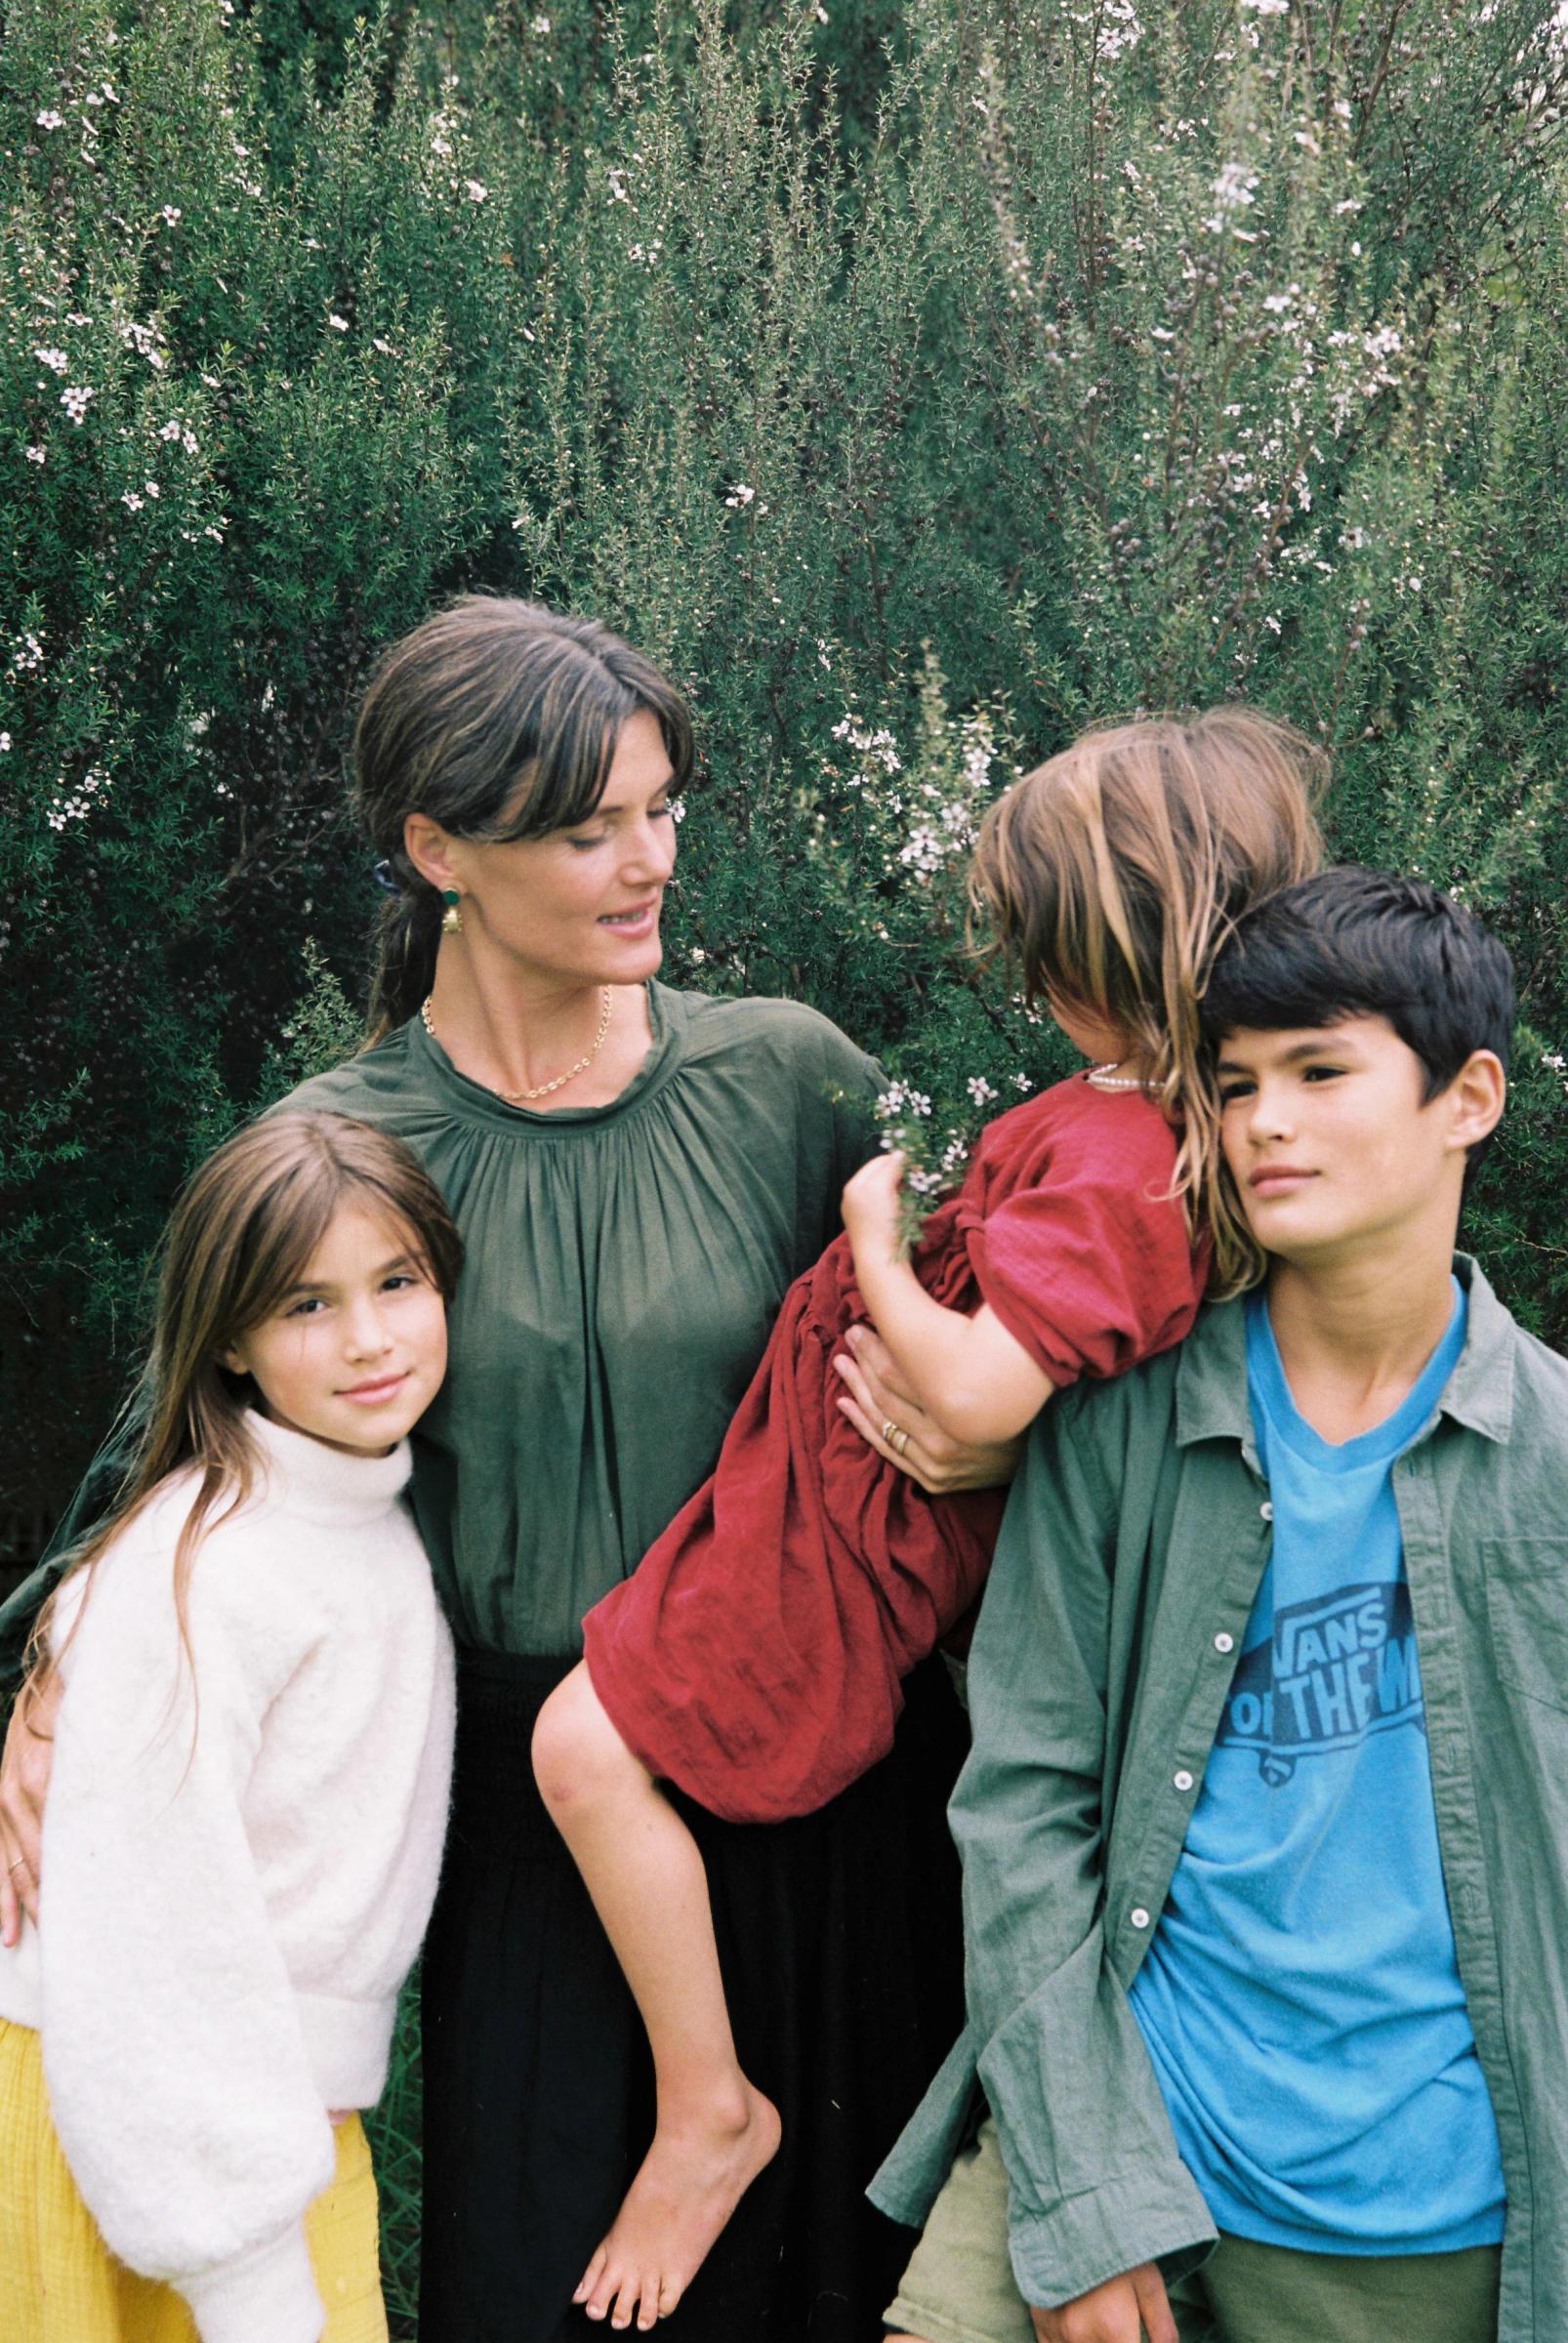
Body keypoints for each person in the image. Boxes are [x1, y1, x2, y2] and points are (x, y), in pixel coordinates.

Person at [0, 596, 1013, 2343]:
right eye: (582, 826)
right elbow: (171, 1468)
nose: (646, 861)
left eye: (659, 807)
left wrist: (974, 1423)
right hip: (534, 1839)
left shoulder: (790, 1081)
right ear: (434, 849)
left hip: (830, 1786)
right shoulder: (337, 1151)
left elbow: (1014, 1328)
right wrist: (52, 1669)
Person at [530, 708, 1326, 2330]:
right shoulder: (1124, 1123)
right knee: (588, 1745)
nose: (1024, 983)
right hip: (820, 1498)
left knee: (577, 1750)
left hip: (846, 1531)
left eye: (1041, 951)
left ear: (1111, 950)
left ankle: (709, 2109)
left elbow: (973, 1401)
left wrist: (878, 1244)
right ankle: (710, 2102)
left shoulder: (1126, 1162)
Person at [872, 867, 1562, 2343]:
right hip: (1119, 2127)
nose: (1261, 1122)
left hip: (1418, 2205)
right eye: (1233, 1083)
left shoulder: (1552, 1460)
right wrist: (1082, 2186)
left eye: (1319, 1072)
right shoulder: (1119, 1421)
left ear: (1470, 1096)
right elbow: (1021, 1805)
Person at [0, 1110, 461, 2343]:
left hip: (260, 2124)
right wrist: (250, 2279)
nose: (368, 1339)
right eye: (306, 1305)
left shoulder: (351, 1518)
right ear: (234, 1345)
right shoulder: (211, 1562)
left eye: (397, 1282)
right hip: (147, 2127)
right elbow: (155, 1929)